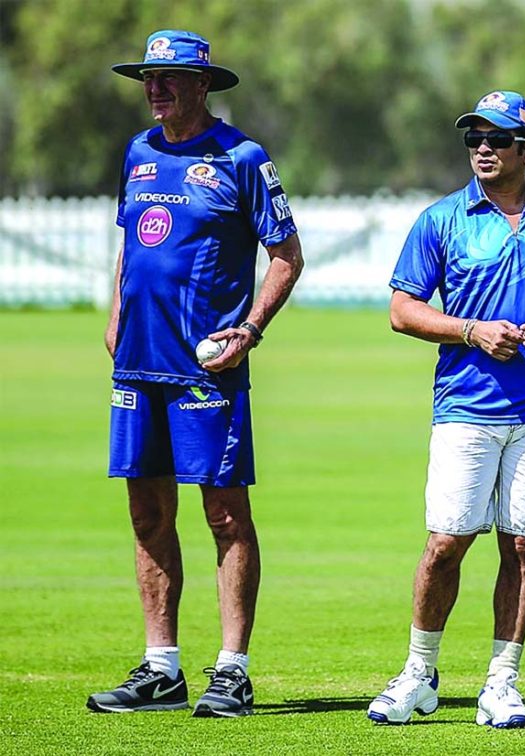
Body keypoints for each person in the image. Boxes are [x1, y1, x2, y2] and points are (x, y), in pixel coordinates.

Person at [366, 91, 525, 728]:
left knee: (523, 548)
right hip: (466, 408)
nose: (483, 147)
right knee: (446, 543)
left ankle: (501, 684)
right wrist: (471, 331)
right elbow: (403, 310)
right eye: (474, 137)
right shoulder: (442, 219)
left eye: (499, 139)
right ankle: (419, 673)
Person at [87, 30, 303, 718]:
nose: (156, 89)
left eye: (170, 78)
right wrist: (117, 306)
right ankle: (161, 667)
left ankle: (232, 670)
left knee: (223, 512)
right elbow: (130, 238)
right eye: (148, 78)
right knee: (147, 511)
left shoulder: (242, 157)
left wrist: (251, 329)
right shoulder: (139, 152)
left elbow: (287, 256)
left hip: (205, 371)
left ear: (203, 84)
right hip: (137, 364)